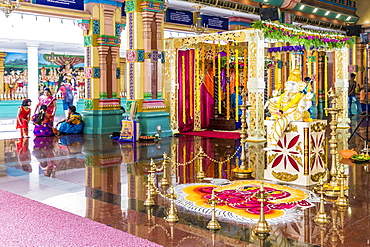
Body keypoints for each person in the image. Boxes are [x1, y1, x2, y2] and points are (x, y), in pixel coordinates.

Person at [265, 66, 313, 147]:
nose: (289, 85)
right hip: (283, 112)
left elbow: (306, 106)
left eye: (293, 84)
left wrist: (308, 100)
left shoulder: (300, 95)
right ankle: (274, 117)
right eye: (288, 83)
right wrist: (269, 101)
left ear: (299, 86)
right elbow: (277, 100)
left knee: (281, 121)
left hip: (293, 114)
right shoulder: (284, 95)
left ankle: (273, 143)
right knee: (273, 107)